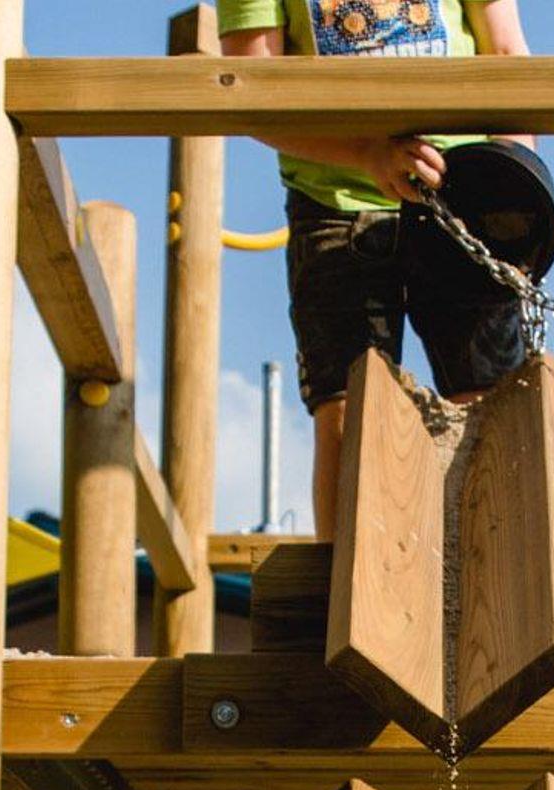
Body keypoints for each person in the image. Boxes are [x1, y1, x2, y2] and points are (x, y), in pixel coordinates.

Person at [216, 0, 536, 536]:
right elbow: (253, 92)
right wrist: (367, 155)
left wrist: (513, 188)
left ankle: (491, 569)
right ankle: (346, 580)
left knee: (487, 408)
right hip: (336, 198)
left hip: (465, 188)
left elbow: (505, 52)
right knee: (350, 414)